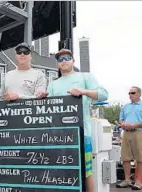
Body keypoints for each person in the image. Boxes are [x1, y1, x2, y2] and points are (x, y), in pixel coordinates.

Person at [46, 48, 108, 192]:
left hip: (82, 134)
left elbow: (104, 94)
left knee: (87, 172)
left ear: (73, 61)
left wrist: (84, 91)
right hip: (58, 136)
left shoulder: (85, 77)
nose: (64, 61)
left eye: (67, 58)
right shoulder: (53, 85)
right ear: (57, 65)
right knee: (62, 172)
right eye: (60, 59)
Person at [116, 86, 142, 190]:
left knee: (140, 158)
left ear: (139, 94)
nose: (130, 95)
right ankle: (127, 180)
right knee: (125, 157)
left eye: (133, 93)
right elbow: (121, 119)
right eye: (129, 93)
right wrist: (123, 123)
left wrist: (135, 125)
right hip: (126, 133)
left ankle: (138, 181)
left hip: (140, 132)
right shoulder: (125, 106)